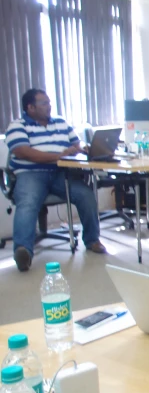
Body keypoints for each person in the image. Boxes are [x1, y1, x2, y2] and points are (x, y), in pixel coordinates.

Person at [4, 89, 106, 272]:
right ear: (30, 107)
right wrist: (59, 155)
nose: (49, 106)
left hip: (61, 173)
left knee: (86, 194)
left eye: (49, 102)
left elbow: (77, 144)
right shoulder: (17, 125)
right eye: (44, 103)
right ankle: (23, 251)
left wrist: (84, 147)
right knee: (27, 203)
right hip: (31, 174)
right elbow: (23, 152)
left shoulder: (61, 123)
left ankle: (92, 240)